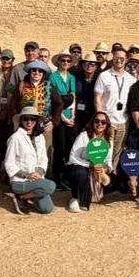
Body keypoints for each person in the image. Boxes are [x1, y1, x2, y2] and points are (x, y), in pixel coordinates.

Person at [5, 106, 56, 214]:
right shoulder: (15, 138)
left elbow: (43, 159)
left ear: (36, 121)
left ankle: (23, 197)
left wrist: (39, 172)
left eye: (32, 119)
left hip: (37, 179)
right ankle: (23, 195)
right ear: (21, 120)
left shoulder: (40, 137)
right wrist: (28, 175)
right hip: (20, 181)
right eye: (26, 119)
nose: (29, 122)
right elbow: (9, 163)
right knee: (51, 186)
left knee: (46, 209)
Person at [94, 48, 136, 169]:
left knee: (118, 151)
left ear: (126, 60)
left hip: (123, 121)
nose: (119, 61)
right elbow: (97, 98)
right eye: (116, 58)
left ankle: (112, 175)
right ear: (113, 58)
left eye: (122, 58)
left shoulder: (131, 79)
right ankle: (101, 175)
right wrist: (101, 119)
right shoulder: (104, 76)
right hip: (108, 120)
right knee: (105, 151)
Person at [66, 112, 114, 212]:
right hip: (83, 167)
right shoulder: (84, 136)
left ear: (107, 125)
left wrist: (105, 168)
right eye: (97, 121)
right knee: (80, 173)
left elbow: (109, 161)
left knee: (117, 182)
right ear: (92, 122)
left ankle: (93, 194)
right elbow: (73, 158)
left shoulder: (109, 140)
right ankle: (75, 198)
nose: (100, 124)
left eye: (103, 122)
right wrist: (90, 165)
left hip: (100, 170)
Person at [50, 50, 79, 187]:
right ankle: (57, 177)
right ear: (59, 62)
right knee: (59, 147)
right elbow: (55, 99)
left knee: (70, 147)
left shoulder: (72, 77)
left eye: (68, 61)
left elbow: (73, 95)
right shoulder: (53, 77)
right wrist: (62, 117)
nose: (66, 63)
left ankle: (68, 177)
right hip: (59, 115)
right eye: (63, 60)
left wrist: (72, 115)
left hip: (69, 115)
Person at [74, 56, 99, 129]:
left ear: (96, 66)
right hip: (78, 112)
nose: (89, 66)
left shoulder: (99, 77)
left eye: (92, 64)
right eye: (86, 64)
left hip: (93, 111)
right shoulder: (76, 76)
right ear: (82, 65)